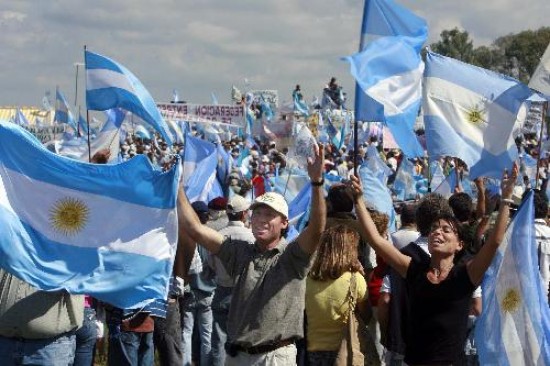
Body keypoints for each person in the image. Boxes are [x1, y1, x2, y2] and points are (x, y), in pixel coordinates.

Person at [349, 164, 517, 365]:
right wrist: (358, 200)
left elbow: (495, 242)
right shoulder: (414, 269)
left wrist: (506, 198)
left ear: (459, 244)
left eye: (446, 230)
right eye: (435, 229)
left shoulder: (465, 275)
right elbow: (376, 239)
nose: (438, 232)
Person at [177, 143, 325, 365]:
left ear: (285, 222)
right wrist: (177, 186)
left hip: (274, 356)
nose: (261, 219)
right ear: (248, 218)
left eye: (269, 214)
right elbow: (195, 229)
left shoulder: (292, 256)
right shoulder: (240, 251)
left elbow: (316, 229)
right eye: (256, 214)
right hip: (239, 355)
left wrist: (316, 183)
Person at [305, 225, 371, 365]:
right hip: (346, 350)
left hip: (312, 350)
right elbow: (366, 316)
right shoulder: (355, 280)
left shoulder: (308, 279)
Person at [209, 195, 255, 366]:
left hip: (221, 291)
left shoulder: (217, 236)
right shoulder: (251, 237)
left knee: (219, 341)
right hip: (243, 295)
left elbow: (211, 265)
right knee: (242, 342)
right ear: (244, 214)